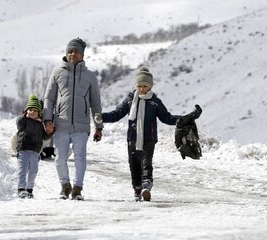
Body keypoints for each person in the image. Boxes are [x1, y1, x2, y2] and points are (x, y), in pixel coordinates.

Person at [102, 67, 201, 201]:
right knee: (134, 165)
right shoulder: (130, 100)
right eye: (139, 86)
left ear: (150, 86)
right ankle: (137, 190)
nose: (142, 89)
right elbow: (116, 114)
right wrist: (100, 116)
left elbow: (167, 117)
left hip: (149, 139)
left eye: (145, 86)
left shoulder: (155, 102)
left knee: (146, 163)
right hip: (132, 138)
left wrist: (185, 118)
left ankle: (146, 187)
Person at [43, 37, 103, 200]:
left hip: (81, 125)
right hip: (60, 124)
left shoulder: (90, 76)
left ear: (82, 54)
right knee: (60, 158)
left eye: (76, 51)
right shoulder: (57, 73)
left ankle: (77, 189)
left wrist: (99, 127)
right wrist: (47, 120)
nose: (73, 54)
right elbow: (49, 99)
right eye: (70, 51)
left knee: (80, 157)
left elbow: (95, 103)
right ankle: (65, 186)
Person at [16, 95, 54, 198]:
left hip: (35, 151)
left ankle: (29, 189)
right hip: (23, 149)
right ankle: (21, 189)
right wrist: (24, 116)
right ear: (26, 111)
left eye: (34, 110)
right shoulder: (24, 121)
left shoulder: (40, 125)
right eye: (29, 110)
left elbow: (45, 137)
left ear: (39, 113)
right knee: (22, 169)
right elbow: (18, 122)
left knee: (33, 171)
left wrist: (50, 131)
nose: (31, 112)